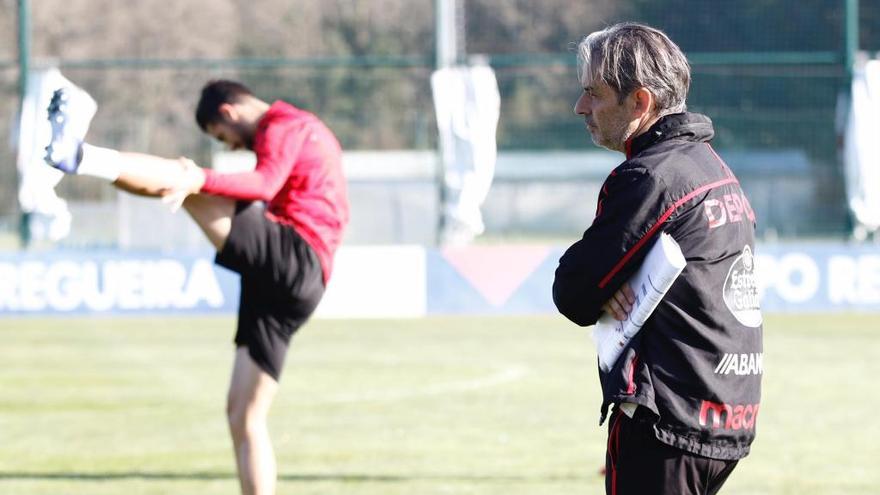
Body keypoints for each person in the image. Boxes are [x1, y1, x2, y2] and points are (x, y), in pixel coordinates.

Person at [44, 79, 349, 495]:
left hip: (297, 256)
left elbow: (263, 185)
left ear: (228, 112)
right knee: (244, 415)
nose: (232, 148)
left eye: (224, 138)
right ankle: (77, 155)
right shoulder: (297, 129)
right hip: (294, 281)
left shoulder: (284, 124)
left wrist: (198, 177)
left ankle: (77, 155)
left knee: (183, 179)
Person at [552, 23, 762, 495]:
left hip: (667, 419)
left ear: (640, 103)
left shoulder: (650, 175)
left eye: (593, 93)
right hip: (725, 414)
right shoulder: (711, 166)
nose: (580, 107)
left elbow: (574, 293)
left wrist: (608, 289)